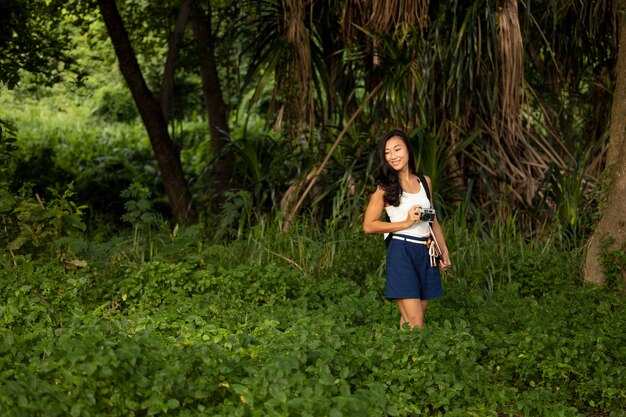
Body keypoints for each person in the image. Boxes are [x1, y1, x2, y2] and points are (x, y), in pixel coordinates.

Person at [363, 129, 451, 329]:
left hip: (426, 252)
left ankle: (399, 357)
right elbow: (368, 225)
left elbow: (432, 219)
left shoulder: (424, 182)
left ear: (408, 150)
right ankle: (417, 359)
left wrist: (443, 250)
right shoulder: (383, 188)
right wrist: (405, 223)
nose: (393, 156)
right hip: (402, 251)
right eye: (387, 152)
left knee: (410, 319)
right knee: (416, 321)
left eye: (397, 149)